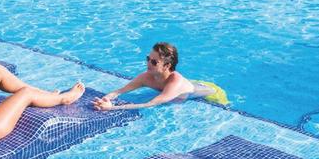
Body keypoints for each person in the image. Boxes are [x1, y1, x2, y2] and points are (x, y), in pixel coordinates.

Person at [92, 42, 227, 111]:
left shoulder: (175, 83)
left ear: (167, 66)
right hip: (189, 84)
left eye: (154, 62)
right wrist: (105, 99)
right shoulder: (147, 76)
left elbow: (149, 104)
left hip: (211, 93)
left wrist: (111, 108)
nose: (148, 63)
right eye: (148, 59)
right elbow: (119, 91)